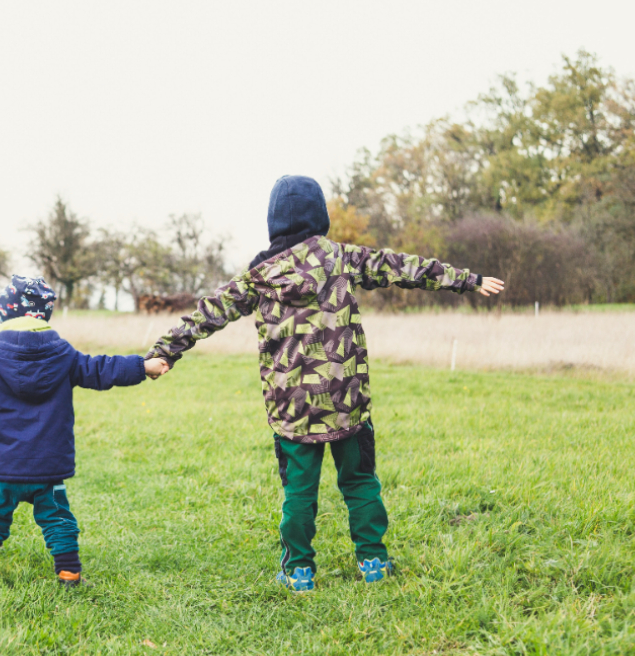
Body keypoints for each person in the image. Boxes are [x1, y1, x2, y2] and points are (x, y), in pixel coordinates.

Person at [145, 175, 505, 593]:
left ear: (274, 222)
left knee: (298, 492)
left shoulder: (259, 276)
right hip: (347, 401)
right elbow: (402, 267)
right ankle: (373, 561)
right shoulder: (341, 258)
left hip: (293, 410)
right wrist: (468, 279)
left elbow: (207, 312)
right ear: (320, 216)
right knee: (360, 482)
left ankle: (298, 571)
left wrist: (165, 351)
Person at [0, 275, 169, 586]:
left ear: (3, 315)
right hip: (47, 465)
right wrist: (143, 367)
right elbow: (102, 369)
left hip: (2, 465)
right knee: (57, 519)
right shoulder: (66, 357)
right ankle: (68, 572)